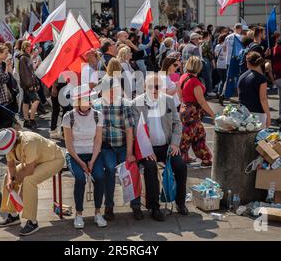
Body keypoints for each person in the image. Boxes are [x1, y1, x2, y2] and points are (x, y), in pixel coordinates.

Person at [131, 74, 188, 220]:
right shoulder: (137, 103)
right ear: (145, 87)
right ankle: (154, 206)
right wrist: (146, 149)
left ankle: (180, 202)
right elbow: (136, 131)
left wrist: (175, 143)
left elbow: (177, 124)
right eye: (151, 86)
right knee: (150, 167)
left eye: (157, 86)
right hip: (146, 147)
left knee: (181, 166)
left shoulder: (168, 100)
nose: (154, 89)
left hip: (166, 146)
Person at [0, 128, 65, 236]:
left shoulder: (29, 142)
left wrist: (16, 180)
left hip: (54, 159)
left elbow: (29, 170)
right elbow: (10, 166)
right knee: (7, 177)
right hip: (36, 160)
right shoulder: (9, 144)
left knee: (29, 180)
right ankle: (13, 215)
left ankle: (32, 222)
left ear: (13, 143)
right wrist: (11, 180)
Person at [63, 85, 107, 229]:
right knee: (80, 179)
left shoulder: (97, 115)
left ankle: (98, 213)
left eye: (87, 98)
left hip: (93, 153)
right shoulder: (68, 117)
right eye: (82, 99)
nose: (85, 101)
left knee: (100, 177)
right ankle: (79, 214)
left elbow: (98, 141)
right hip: (75, 154)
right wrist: (82, 164)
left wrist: (92, 161)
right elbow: (69, 146)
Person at [92, 78, 136, 221]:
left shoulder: (124, 105)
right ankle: (109, 206)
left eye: (114, 92)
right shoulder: (96, 106)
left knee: (129, 168)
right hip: (106, 147)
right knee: (110, 169)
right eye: (108, 92)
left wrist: (129, 153)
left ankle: (135, 205)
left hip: (123, 145)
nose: (112, 95)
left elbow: (130, 130)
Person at [179, 56, 215, 166]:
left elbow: (180, 95)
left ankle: (201, 158)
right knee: (194, 136)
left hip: (185, 109)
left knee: (194, 135)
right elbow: (201, 101)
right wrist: (213, 115)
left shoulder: (184, 77)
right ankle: (204, 158)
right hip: (192, 112)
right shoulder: (194, 81)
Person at [238, 52, 271, 128]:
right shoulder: (261, 78)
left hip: (243, 113)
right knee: (259, 138)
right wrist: (268, 116)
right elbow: (263, 99)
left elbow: (240, 96)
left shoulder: (241, 77)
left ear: (248, 63)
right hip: (258, 114)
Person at [18, 41, 40, 129]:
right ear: (23, 47)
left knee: (26, 102)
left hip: (28, 83)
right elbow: (24, 74)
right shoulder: (23, 58)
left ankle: (27, 121)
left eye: (29, 46)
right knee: (36, 100)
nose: (28, 48)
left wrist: (36, 82)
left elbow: (31, 72)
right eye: (26, 46)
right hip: (27, 84)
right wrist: (30, 84)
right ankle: (32, 119)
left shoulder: (27, 57)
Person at [214, 33, 228, 101]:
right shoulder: (226, 46)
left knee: (221, 79)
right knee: (224, 80)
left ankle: (219, 92)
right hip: (225, 65)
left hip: (218, 65)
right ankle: (221, 93)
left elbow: (216, 55)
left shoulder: (217, 46)